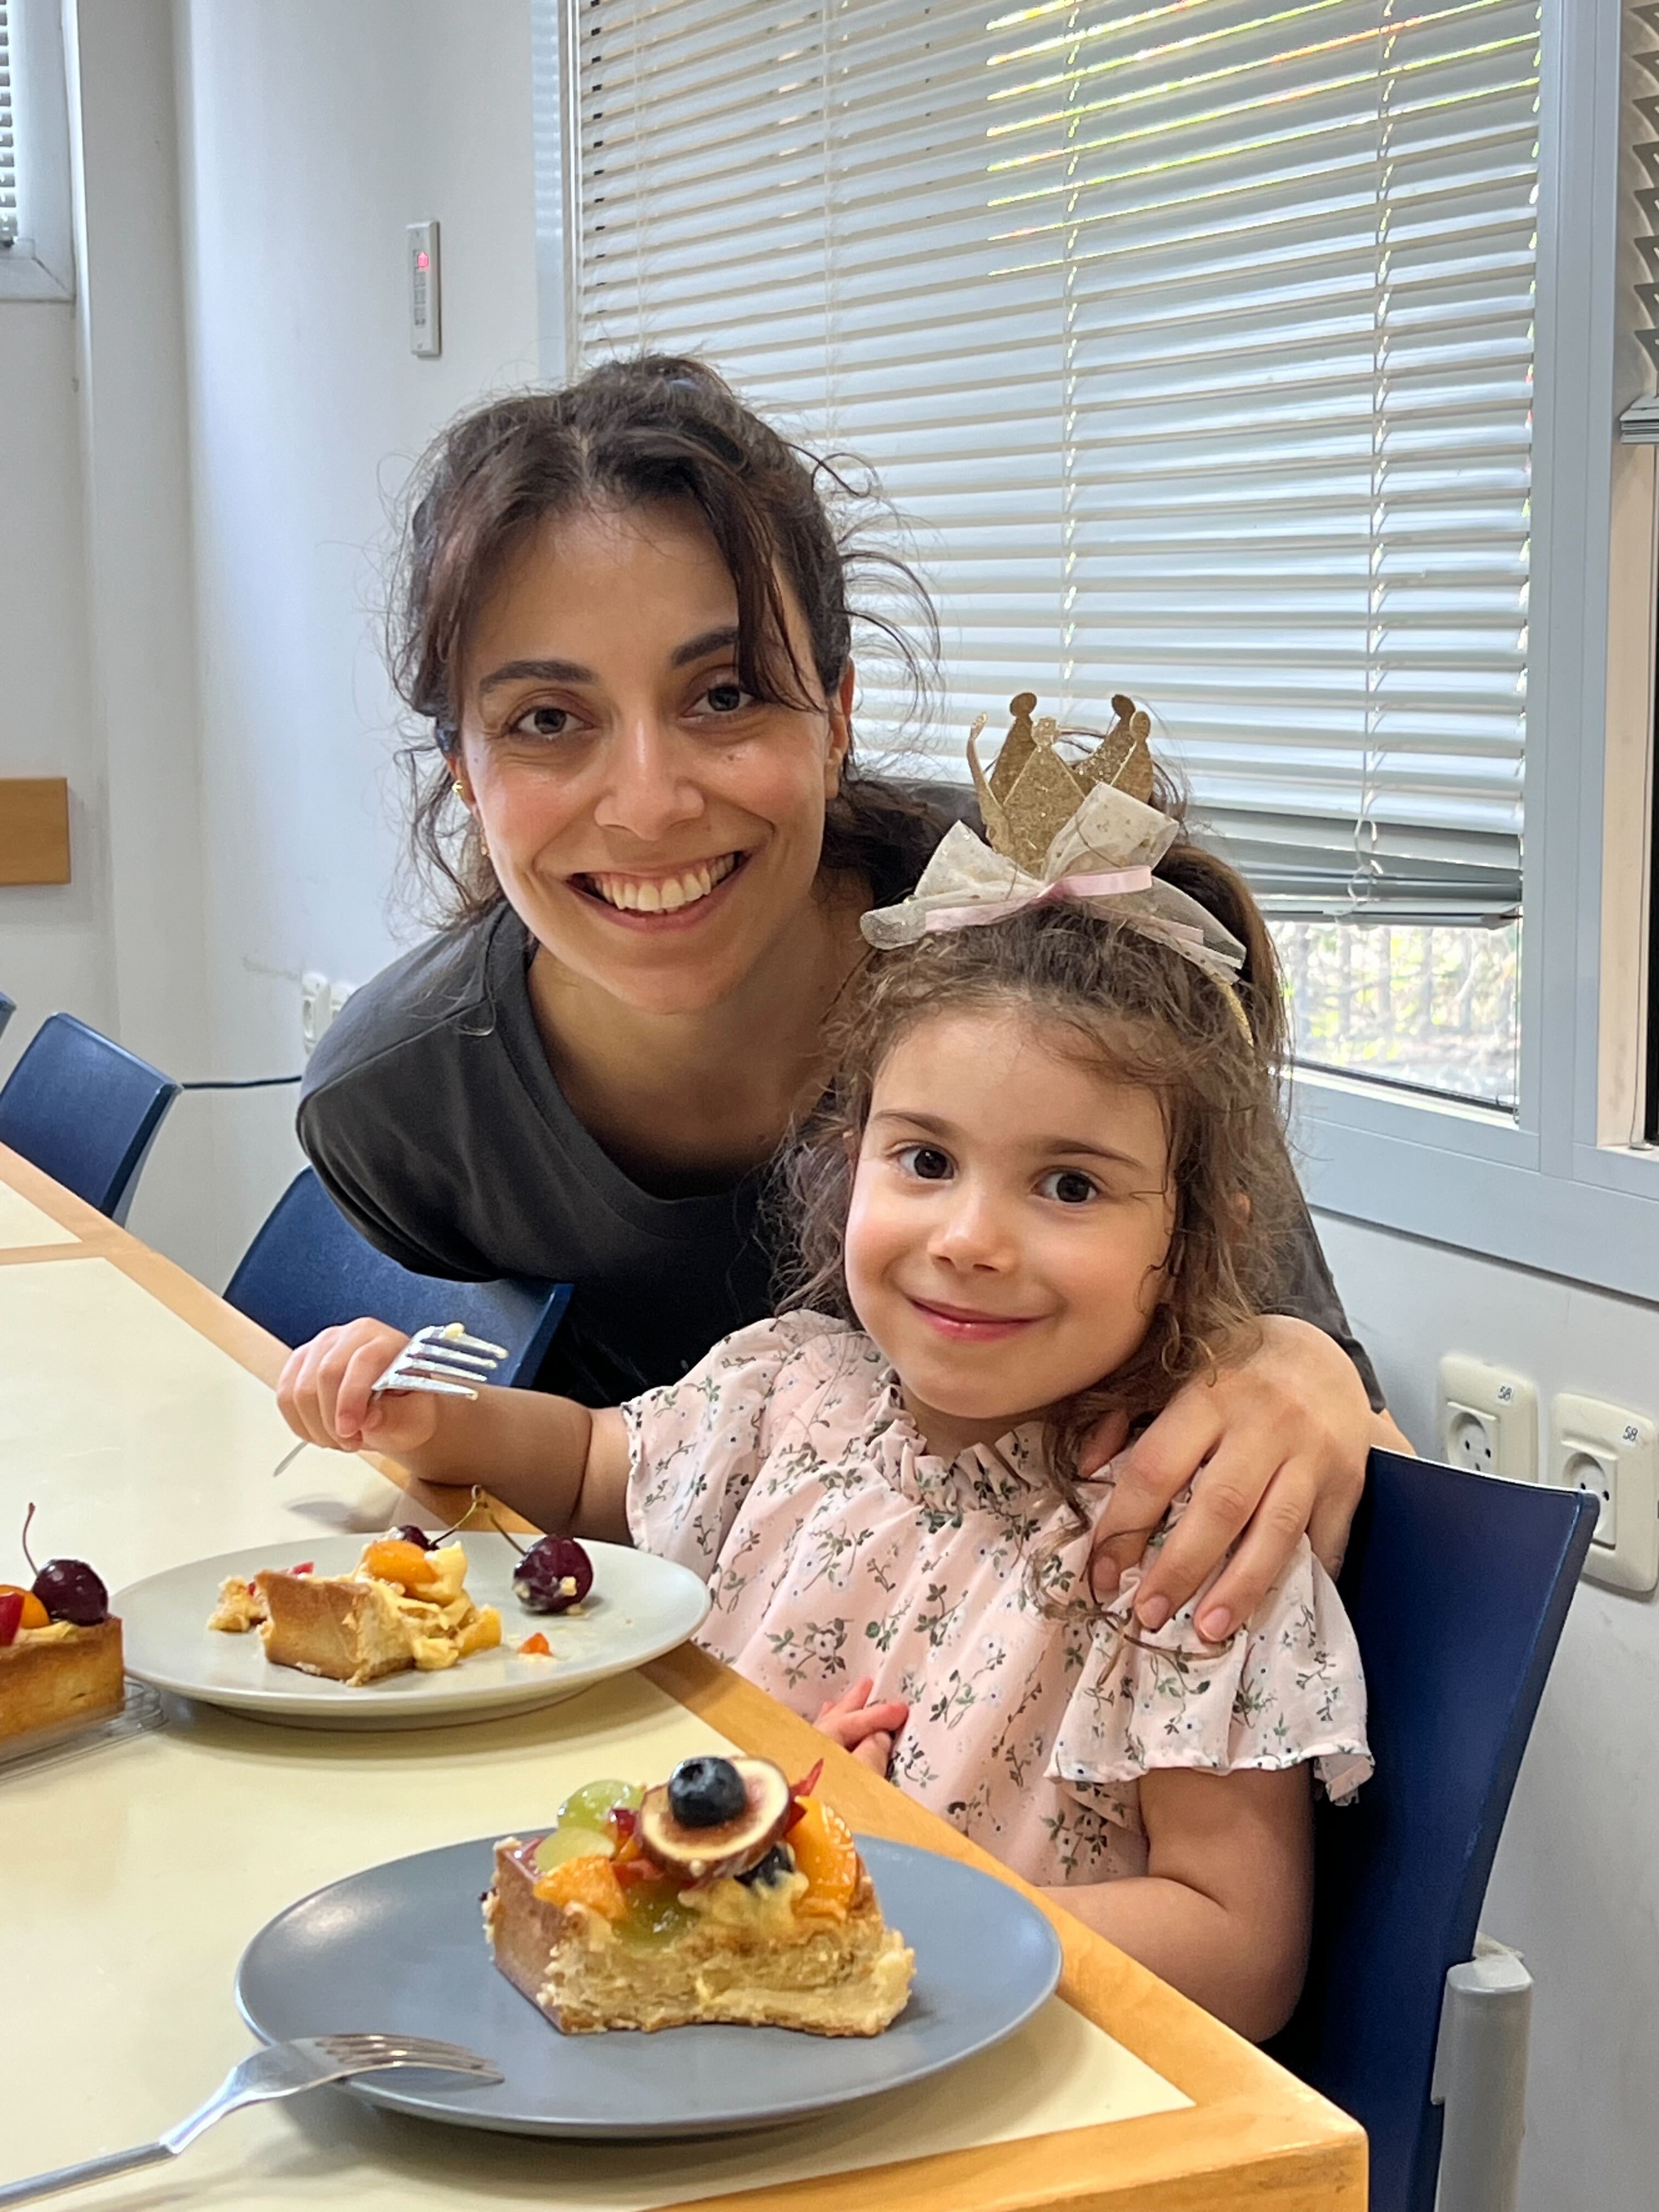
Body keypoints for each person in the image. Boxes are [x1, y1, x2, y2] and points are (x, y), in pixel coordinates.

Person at [298, 352, 1406, 1654]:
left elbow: (1334, 1423)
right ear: (465, 772)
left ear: (836, 718)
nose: (648, 804)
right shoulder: (403, 1110)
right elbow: (573, 1462)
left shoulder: (1057, 948)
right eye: (547, 718)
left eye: (724, 696)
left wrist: (1300, 1367)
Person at [278, 759, 1372, 2040]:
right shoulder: (790, 1388)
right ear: (847, 1165)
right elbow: (582, 1467)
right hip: (707, 2025)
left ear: (1197, 1238)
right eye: (926, 1159)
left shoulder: (1190, 1541)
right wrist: (433, 1423)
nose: (969, 1238)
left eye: (1069, 1186)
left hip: (985, 2083)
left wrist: (892, 1890)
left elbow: (1240, 1953)